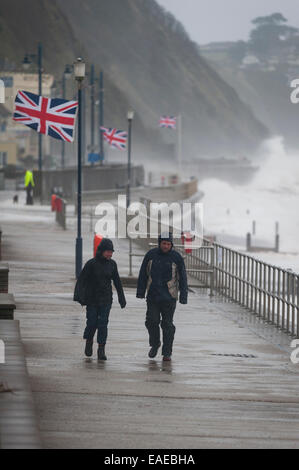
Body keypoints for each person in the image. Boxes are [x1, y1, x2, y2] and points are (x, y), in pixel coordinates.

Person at [136, 232, 188, 362]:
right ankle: (155, 344)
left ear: (171, 245)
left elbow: (183, 277)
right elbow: (143, 273)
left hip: (169, 297)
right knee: (151, 321)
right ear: (159, 243)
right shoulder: (151, 255)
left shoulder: (176, 257)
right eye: (164, 243)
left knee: (167, 325)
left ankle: (167, 353)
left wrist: (183, 296)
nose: (166, 246)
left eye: (168, 244)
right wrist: (141, 292)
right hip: (153, 296)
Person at [73, 238, 126, 360]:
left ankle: (101, 349)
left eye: (111, 252)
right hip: (92, 299)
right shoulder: (91, 263)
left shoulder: (112, 264)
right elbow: (82, 281)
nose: (110, 254)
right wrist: (79, 296)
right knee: (92, 323)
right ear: (101, 251)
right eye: (107, 251)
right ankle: (89, 341)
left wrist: (121, 298)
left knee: (103, 324)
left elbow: (117, 282)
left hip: (106, 299)